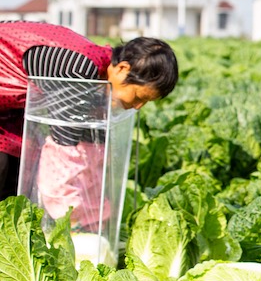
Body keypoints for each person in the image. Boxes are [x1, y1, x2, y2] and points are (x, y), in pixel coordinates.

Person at [0, 21, 179, 214]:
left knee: (16, 173)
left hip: (9, 106)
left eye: (145, 102)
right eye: (138, 97)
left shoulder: (100, 78)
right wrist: (70, 217)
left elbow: (91, 152)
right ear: (122, 69)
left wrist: (95, 210)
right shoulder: (78, 72)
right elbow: (61, 157)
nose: (137, 106)